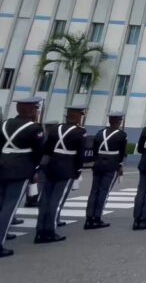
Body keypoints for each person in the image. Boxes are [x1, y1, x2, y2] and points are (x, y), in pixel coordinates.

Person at [35, 105, 87, 244]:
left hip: (51, 166)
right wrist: (78, 171)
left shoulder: (54, 129)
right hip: (67, 168)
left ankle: (40, 231)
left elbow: (46, 150)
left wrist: (42, 167)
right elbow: (80, 155)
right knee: (56, 201)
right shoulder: (80, 132)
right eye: (80, 115)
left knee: (45, 199)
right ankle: (50, 231)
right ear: (77, 117)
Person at [0, 97, 45, 258]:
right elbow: (38, 152)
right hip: (20, 170)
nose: (37, 112)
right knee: (9, 206)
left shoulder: (4, 124)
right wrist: (35, 170)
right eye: (35, 109)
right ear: (31, 111)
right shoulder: (34, 128)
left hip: (2, 165)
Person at [84, 111, 127, 230]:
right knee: (104, 191)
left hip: (98, 163)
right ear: (118, 122)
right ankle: (97, 218)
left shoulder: (99, 133)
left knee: (94, 191)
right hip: (112, 164)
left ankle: (89, 218)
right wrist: (120, 165)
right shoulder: (121, 135)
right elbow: (122, 152)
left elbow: (94, 149)